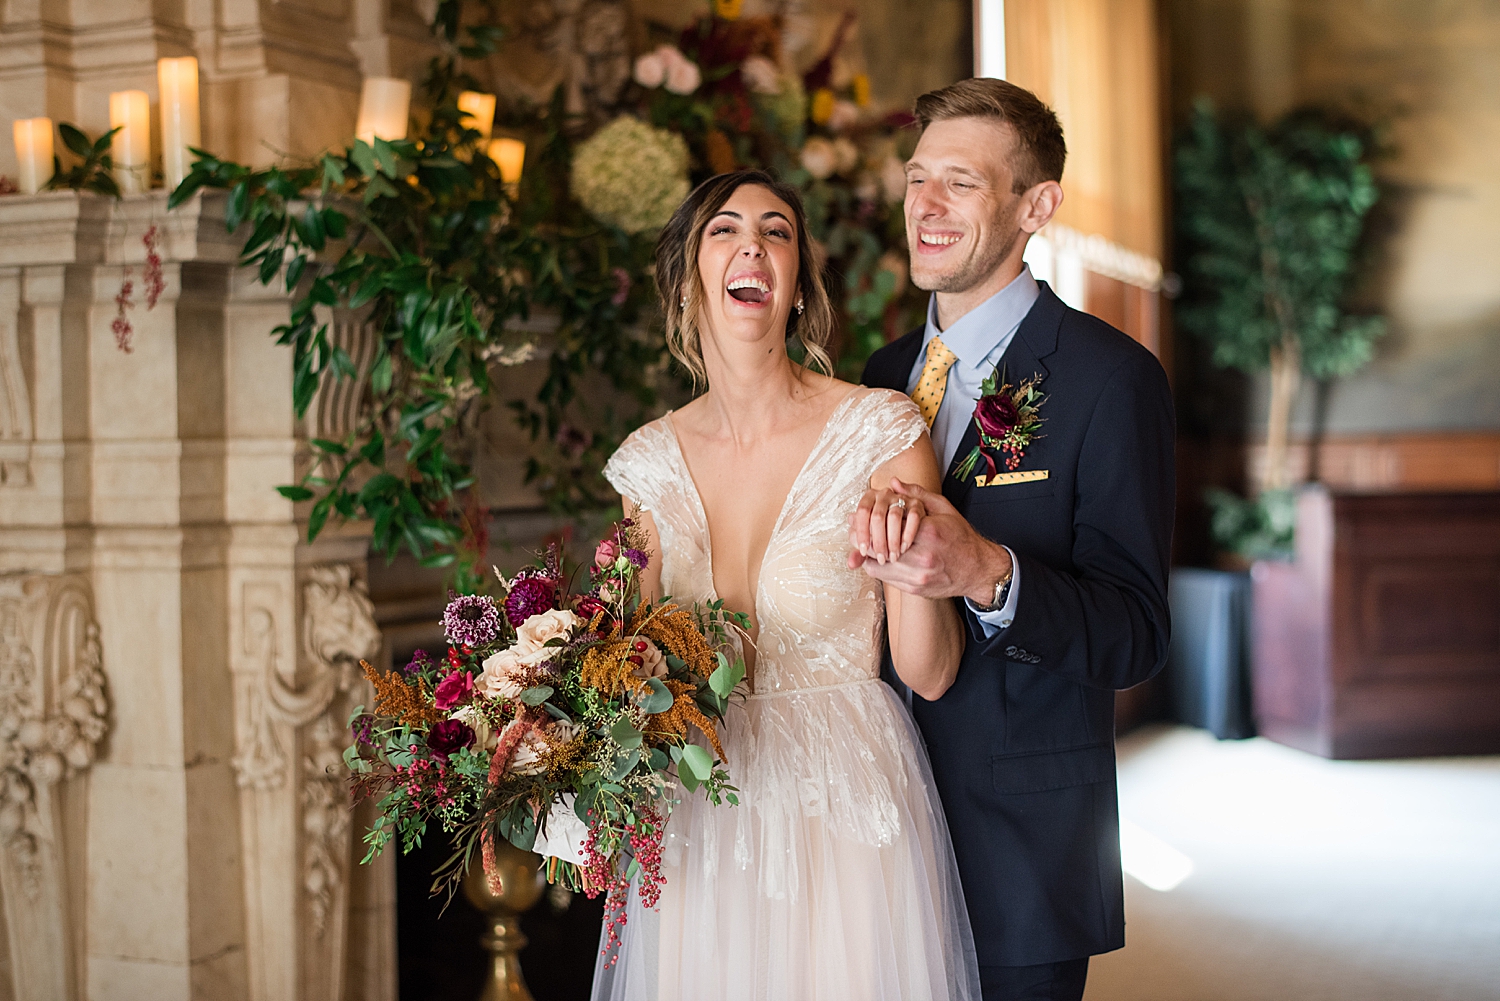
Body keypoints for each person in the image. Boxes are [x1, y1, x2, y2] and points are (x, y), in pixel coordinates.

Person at [594, 170, 981, 1001]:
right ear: (693, 275)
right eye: (725, 230)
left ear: (798, 280)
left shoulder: (881, 429)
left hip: (843, 805)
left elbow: (931, 670)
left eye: (777, 232)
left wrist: (919, 553)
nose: (753, 246)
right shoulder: (646, 465)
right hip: (700, 808)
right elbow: (624, 679)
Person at [853, 78, 1176, 1001]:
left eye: (961, 181)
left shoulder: (1112, 379)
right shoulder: (877, 381)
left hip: (1020, 845)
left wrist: (989, 572)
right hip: (870, 833)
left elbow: (1138, 632)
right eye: (919, 178)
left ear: (1036, 206)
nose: (926, 205)